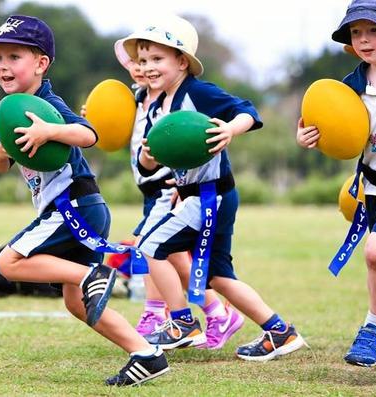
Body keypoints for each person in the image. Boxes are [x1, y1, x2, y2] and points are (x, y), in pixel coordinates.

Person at [0, 15, 169, 386]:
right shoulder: (12, 111)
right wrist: (4, 142)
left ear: (41, 64)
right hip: (78, 209)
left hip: (73, 206)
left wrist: (49, 130)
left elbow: (88, 134)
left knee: (8, 262)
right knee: (77, 303)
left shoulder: (46, 103)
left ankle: (92, 273)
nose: (2, 66)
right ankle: (146, 353)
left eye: (14, 56)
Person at [123, 15, 306, 360]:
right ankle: (280, 332)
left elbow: (246, 110)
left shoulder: (197, 92)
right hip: (200, 194)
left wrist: (231, 130)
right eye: (143, 60)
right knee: (217, 277)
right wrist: (148, 157)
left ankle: (181, 322)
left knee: (149, 246)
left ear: (182, 61)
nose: (148, 67)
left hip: (210, 194)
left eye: (157, 59)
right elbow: (150, 164)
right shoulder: (158, 107)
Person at [297, 0, 376, 376]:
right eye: (356, 32)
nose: (363, 40)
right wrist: (308, 135)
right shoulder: (352, 85)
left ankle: (374, 329)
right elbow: (332, 127)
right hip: (374, 186)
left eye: (374, 30)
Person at [113, 38, 244, 349]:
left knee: (149, 246)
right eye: (135, 62)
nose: (140, 68)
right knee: (167, 253)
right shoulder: (138, 99)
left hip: (166, 188)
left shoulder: (173, 99)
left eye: (152, 61)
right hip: (150, 188)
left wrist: (183, 188)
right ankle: (214, 312)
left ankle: (163, 315)